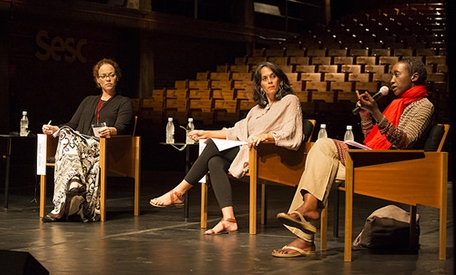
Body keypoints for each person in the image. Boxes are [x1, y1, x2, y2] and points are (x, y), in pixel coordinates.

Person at [272, 58, 434, 258]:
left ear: (414, 76)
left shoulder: (424, 105)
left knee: (322, 162)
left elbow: (403, 141)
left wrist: (376, 112)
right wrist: (367, 116)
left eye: (396, 74)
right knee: (321, 148)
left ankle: (304, 235)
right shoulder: (397, 104)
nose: (391, 80)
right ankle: (309, 209)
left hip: (395, 168)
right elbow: (372, 141)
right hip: (376, 161)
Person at [150, 61, 304, 235]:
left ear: (280, 80)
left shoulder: (290, 101)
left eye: (273, 77)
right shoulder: (257, 110)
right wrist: (205, 133)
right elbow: (235, 132)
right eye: (265, 78)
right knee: (215, 162)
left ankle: (178, 192)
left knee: (214, 147)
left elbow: (291, 132)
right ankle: (229, 219)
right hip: (249, 151)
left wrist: (266, 136)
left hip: (269, 156)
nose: (269, 81)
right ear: (259, 84)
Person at [41, 58, 134, 222]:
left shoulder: (123, 102)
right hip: (78, 147)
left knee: (66, 149)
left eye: (111, 75)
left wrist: (110, 130)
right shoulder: (88, 100)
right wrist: (55, 129)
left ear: (117, 77)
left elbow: (122, 127)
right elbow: (72, 124)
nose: (108, 79)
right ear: (97, 80)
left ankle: (60, 208)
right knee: (65, 134)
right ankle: (74, 186)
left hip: (103, 146)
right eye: (103, 76)